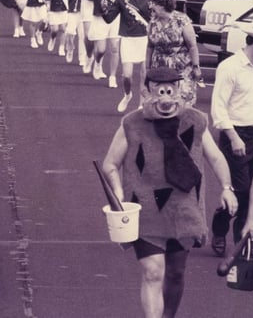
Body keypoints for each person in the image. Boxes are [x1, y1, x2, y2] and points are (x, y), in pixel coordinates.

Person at [102, 67, 237, 318]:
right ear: (147, 92)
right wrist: (118, 194)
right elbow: (110, 164)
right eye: (159, 90)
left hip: (184, 211)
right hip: (144, 210)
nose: (165, 98)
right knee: (153, 272)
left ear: (179, 91)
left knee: (175, 273)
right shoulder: (132, 124)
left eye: (170, 90)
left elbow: (216, 158)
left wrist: (227, 189)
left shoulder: (195, 121)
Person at [210, 23, 253, 257]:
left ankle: (243, 243)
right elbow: (218, 109)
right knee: (243, 191)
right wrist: (234, 137)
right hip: (236, 134)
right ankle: (222, 230)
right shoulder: (230, 67)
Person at [102, 0, 150, 112]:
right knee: (127, 75)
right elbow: (110, 18)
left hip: (145, 39)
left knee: (144, 74)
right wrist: (104, 9)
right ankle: (127, 95)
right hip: (128, 38)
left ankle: (142, 103)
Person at [146, 0, 203, 106]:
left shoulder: (181, 20)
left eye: (153, 4)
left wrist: (196, 67)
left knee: (184, 100)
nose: (150, 7)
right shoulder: (152, 22)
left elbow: (192, 46)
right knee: (163, 102)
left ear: (162, 5)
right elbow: (150, 46)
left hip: (181, 68)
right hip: (160, 68)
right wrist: (147, 68)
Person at [85, 0, 124, 86]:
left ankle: (112, 76)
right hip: (100, 15)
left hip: (115, 16)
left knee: (114, 47)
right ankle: (97, 63)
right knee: (101, 49)